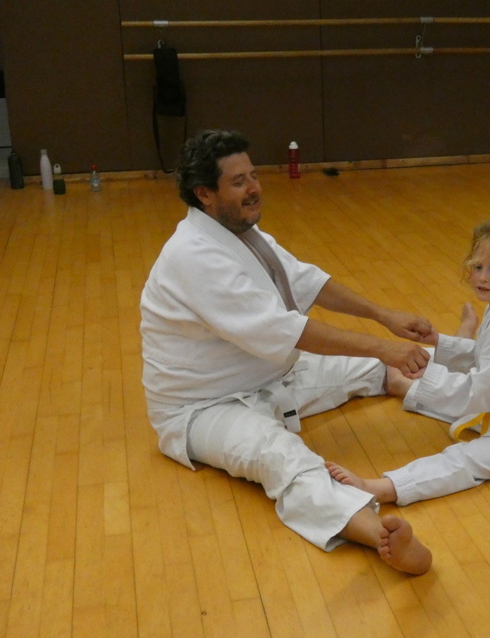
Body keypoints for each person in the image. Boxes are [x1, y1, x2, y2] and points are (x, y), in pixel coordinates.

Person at [140, 130, 432, 574]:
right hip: (204, 408)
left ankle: (470, 398)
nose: (254, 188)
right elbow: (286, 330)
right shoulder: (193, 256)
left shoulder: (242, 233)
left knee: (379, 368)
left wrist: (383, 316)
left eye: (253, 176)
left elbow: (306, 281)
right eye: (238, 181)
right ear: (204, 194)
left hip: (270, 375)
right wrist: (385, 346)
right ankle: (380, 535)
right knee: (282, 456)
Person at [327, 217, 490, 506]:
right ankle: (405, 388)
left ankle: (382, 488)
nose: (482, 277)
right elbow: (485, 361)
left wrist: (428, 374)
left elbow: (476, 395)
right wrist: (439, 341)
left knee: (466, 458)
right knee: (456, 409)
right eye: (477, 267)